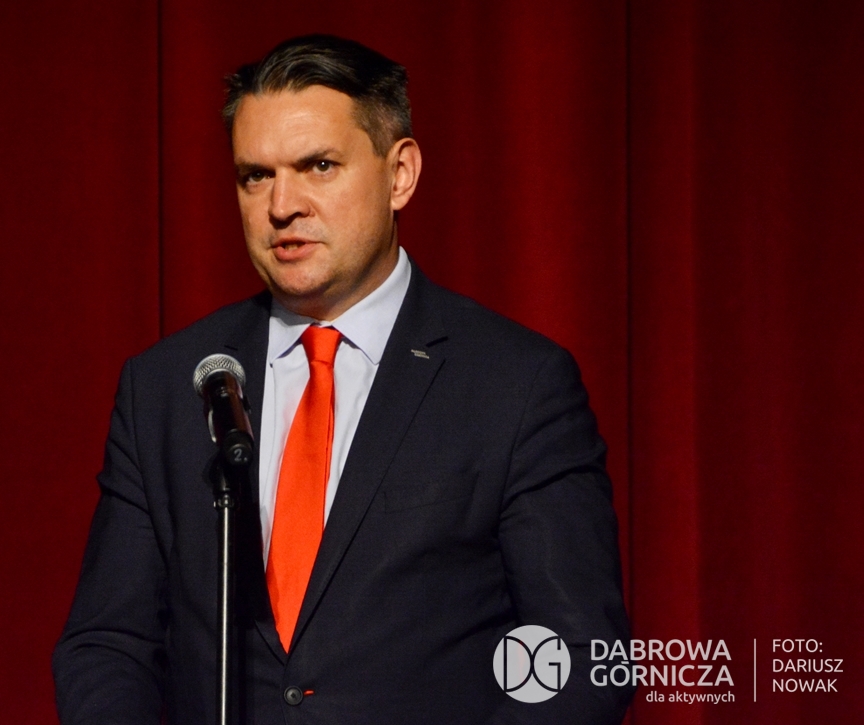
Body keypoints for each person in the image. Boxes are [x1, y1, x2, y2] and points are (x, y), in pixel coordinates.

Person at [53, 34, 632, 724]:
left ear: (400, 174)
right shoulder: (167, 386)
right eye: (255, 176)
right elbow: (109, 645)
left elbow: (580, 655)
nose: (281, 205)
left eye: (319, 166)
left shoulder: (516, 385)